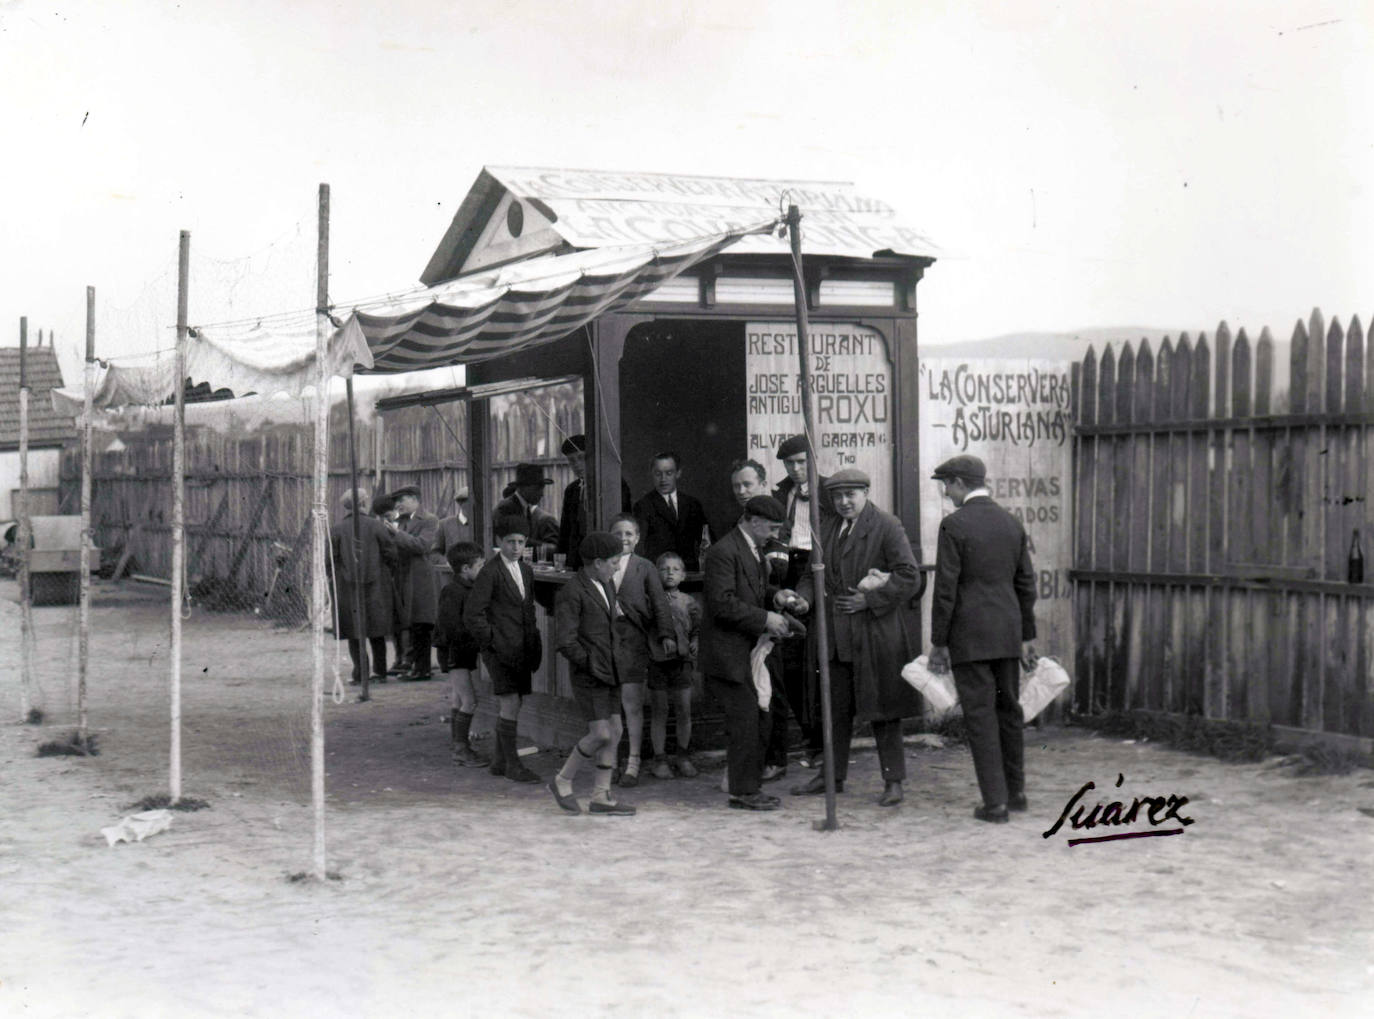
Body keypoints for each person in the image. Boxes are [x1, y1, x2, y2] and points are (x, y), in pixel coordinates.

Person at [792, 469, 924, 808]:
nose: (844, 502)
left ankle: (893, 781)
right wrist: (804, 598)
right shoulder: (828, 526)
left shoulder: (886, 525)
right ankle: (832, 776)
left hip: (875, 633)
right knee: (833, 708)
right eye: (837, 496)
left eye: (851, 494)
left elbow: (910, 576)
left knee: (883, 708)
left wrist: (870, 599)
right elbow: (811, 572)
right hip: (836, 636)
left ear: (866, 492)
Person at [927, 454, 1038, 824]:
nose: (946, 492)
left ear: (960, 483)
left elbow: (946, 590)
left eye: (947, 485)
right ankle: (1016, 792)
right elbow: (1026, 583)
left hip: (969, 638)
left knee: (980, 717)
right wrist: (1026, 636)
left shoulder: (954, 525)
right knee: (1009, 710)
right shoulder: (1011, 523)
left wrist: (939, 641)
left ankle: (995, 804)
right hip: (1007, 633)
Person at [699, 494, 800, 811]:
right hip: (726, 654)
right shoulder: (723, 552)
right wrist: (766, 618)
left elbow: (751, 591)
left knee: (756, 717)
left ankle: (747, 787)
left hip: (745, 651)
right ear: (753, 521)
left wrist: (776, 597)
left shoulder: (751, 549)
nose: (773, 535)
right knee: (746, 720)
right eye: (770, 528)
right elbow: (722, 603)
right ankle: (744, 792)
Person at [549, 531, 637, 816]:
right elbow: (565, 641)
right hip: (589, 675)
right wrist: (590, 663)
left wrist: (618, 655)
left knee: (616, 731)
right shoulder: (572, 592)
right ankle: (562, 780)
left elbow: (614, 626)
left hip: (611, 672)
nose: (617, 567)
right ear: (597, 562)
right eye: (614, 562)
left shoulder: (606, 584)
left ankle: (602, 796)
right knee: (600, 734)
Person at [771, 435, 836, 773]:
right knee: (792, 666)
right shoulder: (780, 493)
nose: (796, 470)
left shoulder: (829, 491)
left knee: (820, 665)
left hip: (820, 574)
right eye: (789, 463)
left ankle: (825, 746)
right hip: (787, 573)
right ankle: (811, 740)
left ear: (812, 460)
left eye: (801, 462)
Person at [464, 513, 544, 784]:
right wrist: (493, 642)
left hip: (522, 649)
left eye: (521, 542)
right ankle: (513, 765)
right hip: (499, 650)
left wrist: (534, 642)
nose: (516, 547)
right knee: (510, 702)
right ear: (499, 541)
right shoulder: (490, 572)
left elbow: (529, 609)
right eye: (510, 542)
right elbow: (473, 615)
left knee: (516, 701)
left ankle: (499, 761)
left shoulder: (526, 570)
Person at [607, 512, 676, 788]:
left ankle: (633, 762)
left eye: (628, 534)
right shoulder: (600, 564)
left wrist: (666, 634)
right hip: (606, 644)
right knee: (611, 707)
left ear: (637, 539)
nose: (623, 539)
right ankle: (610, 761)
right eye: (618, 534)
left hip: (634, 643)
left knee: (632, 705)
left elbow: (659, 603)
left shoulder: (644, 567)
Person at [328, 487, 396, 685]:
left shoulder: (337, 529)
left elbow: (329, 560)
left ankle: (360, 674)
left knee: (355, 632)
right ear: (364, 503)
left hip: (347, 588)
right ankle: (380, 672)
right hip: (376, 586)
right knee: (377, 631)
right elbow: (391, 554)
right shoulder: (377, 526)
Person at [647, 551, 701, 780]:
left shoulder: (689, 602)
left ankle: (683, 756)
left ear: (683, 576)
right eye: (664, 569)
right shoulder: (650, 601)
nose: (670, 573)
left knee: (684, 709)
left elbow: (697, 627)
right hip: (657, 661)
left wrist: (696, 640)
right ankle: (659, 759)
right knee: (659, 710)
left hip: (682, 663)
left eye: (675, 569)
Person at [435, 540, 488, 767]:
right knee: (469, 701)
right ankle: (461, 749)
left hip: (460, 652)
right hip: (455, 653)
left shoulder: (467, 588)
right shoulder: (453, 591)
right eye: (480, 566)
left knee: (458, 699)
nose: (483, 570)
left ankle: (458, 742)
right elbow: (451, 628)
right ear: (465, 569)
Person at [386, 485, 443, 681]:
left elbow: (422, 546)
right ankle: (413, 667)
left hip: (420, 580)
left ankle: (423, 669)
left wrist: (395, 534)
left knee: (422, 624)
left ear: (414, 499)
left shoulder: (429, 520)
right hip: (403, 578)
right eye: (396, 501)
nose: (397, 505)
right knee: (410, 624)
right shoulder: (400, 522)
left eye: (401, 500)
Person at [556, 434, 632, 570]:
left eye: (581, 458)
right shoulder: (571, 490)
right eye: (572, 461)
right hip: (577, 562)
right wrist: (563, 561)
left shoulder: (615, 485)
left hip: (604, 560)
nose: (577, 465)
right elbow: (565, 531)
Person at [632, 451, 712, 571]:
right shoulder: (643, 506)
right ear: (652, 474)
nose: (663, 479)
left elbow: (706, 540)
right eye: (658, 474)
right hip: (659, 573)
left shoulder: (692, 504)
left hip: (689, 573)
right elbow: (639, 546)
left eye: (669, 473)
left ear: (678, 473)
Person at [431, 488, 474, 672]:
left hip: (474, 584)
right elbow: (434, 552)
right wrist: (447, 562)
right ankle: (445, 663)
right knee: (448, 623)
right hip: (451, 584)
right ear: (461, 504)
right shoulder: (446, 524)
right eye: (468, 503)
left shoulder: (483, 524)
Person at [493, 463, 561, 556]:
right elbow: (517, 542)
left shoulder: (523, 507)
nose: (542, 494)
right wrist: (549, 548)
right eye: (538, 489)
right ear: (523, 488)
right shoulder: (507, 508)